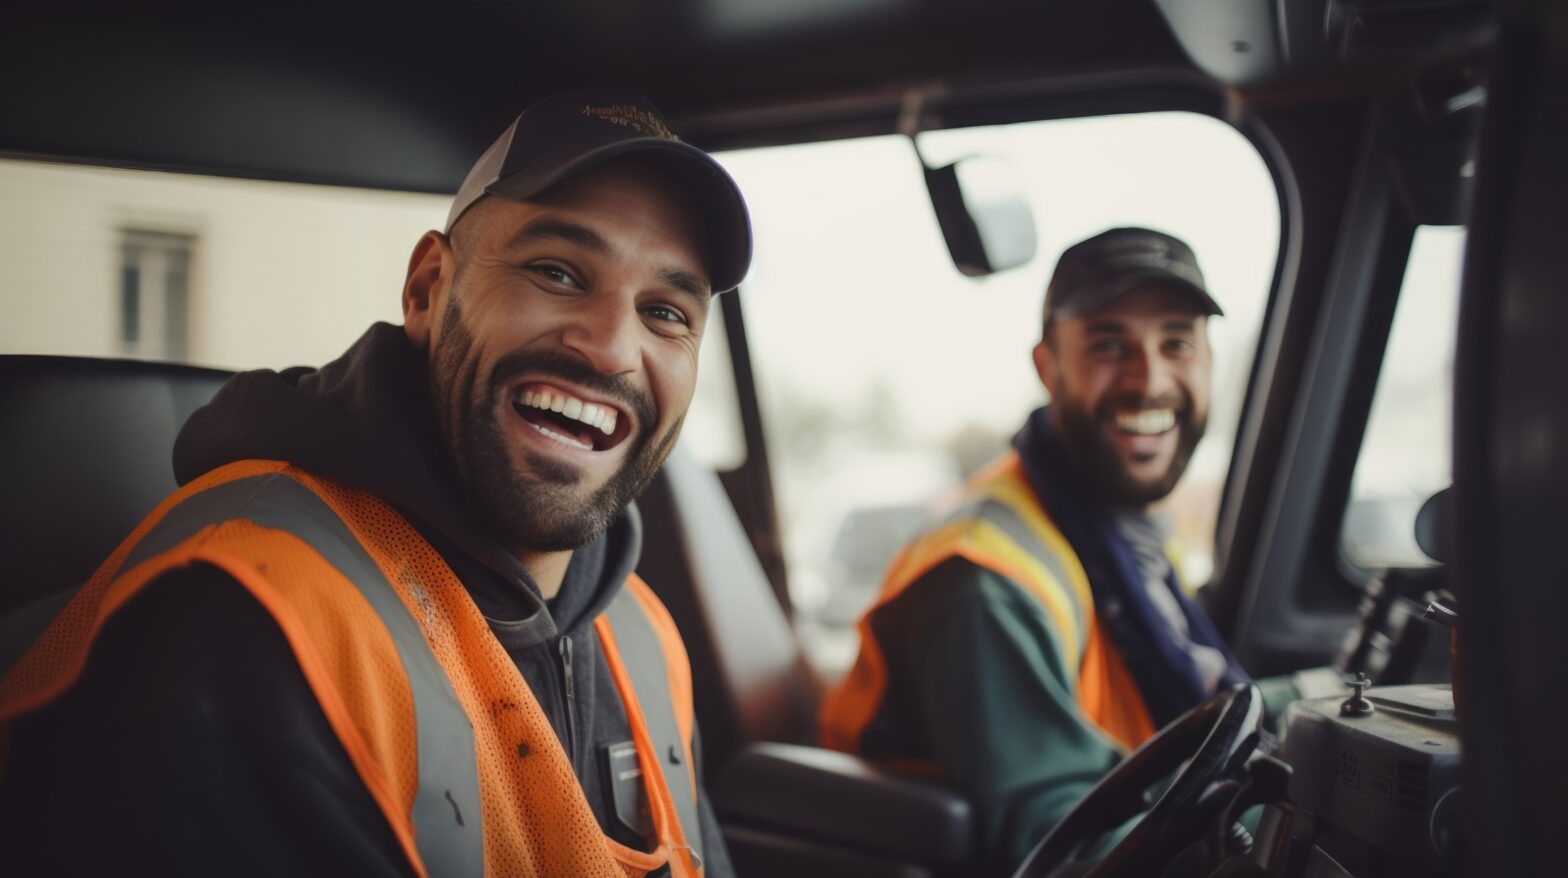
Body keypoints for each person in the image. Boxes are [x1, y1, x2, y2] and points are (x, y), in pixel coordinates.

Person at [0, 90, 750, 877]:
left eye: (666, 313)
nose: (611, 349)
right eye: (557, 272)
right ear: (428, 289)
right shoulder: (241, 618)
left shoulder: (643, 635)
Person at [819, 227, 1251, 874]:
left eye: (1178, 342)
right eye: (1110, 344)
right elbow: (1073, 848)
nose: (1151, 378)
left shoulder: (1121, 536)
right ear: (1048, 368)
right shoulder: (982, 582)